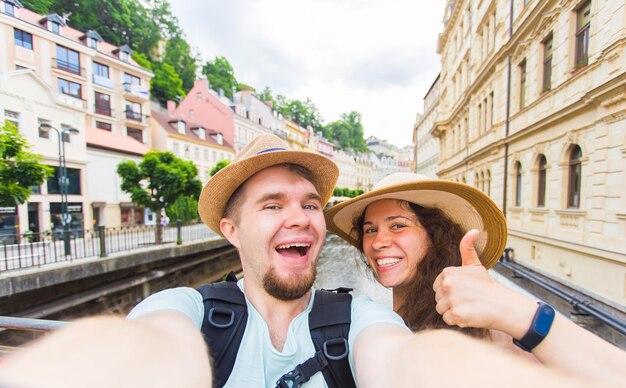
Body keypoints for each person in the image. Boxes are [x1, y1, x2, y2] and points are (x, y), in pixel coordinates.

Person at [0, 135, 611, 388]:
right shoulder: (186, 310)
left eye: (312, 204)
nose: (300, 217)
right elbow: (149, 346)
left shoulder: (360, 321)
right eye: (273, 204)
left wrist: (522, 316)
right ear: (230, 230)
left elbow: (409, 361)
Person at [325, 172, 626, 386]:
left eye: (398, 225)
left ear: (436, 236)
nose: (378, 242)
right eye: (370, 229)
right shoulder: (374, 318)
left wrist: (513, 309)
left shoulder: (491, 329)